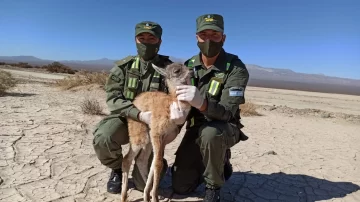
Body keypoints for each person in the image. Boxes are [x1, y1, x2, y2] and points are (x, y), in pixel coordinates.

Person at [92, 21, 188, 194]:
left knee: (144, 186)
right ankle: (118, 169)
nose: (146, 42)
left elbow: (179, 98)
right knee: (104, 137)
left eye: (151, 38)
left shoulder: (170, 69)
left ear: (159, 41)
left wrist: (178, 123)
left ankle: (159, 161)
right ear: (135, 40)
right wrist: (138, 114)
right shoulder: (124, 67)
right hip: (126, 118)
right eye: (141, 38)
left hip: (155, 124)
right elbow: (114, 99)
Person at [170, 14, 250, 202]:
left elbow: (228, 111)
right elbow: (178, 100)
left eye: (214, 34)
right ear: (196, 37)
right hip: (196, 128)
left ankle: (213, 186)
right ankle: (214, 165)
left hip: (223, 127)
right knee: (181, 187)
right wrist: (176, 122)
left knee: (210, 134)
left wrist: (202, 103)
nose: (208, 40)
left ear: (223, 38)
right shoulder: (188, 66)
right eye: (203, 34)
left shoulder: (235, 68)